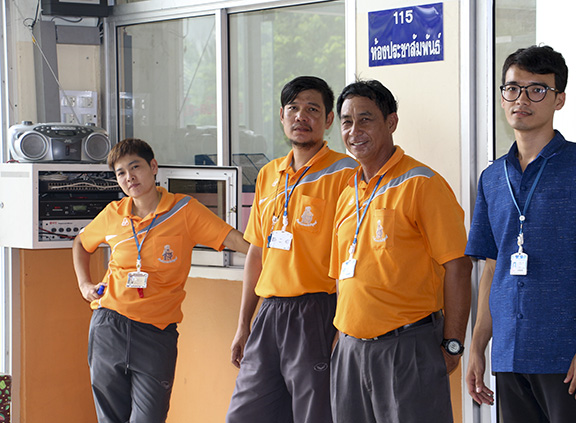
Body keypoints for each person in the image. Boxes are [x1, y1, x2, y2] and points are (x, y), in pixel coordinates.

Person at [465, 45, 576, 423]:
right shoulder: (492, 178)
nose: (521, 99)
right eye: (512, 89)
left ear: (559, 99)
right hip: (510, 352)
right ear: (502, 97)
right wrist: (478, 347)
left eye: (537, 89)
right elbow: (492, 268)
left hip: (569, 351)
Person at [72, 138, 249, 423]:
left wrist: (274, 257)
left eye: (135, 167)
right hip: (109, 326)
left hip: (156, 334)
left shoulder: (184, 210)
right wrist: (84, 284)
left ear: (153, 167)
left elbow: (235, 241)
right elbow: (81, 243)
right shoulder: (113, 214)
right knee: (110, 418)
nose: (129, 177)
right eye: (120, 172)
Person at [329, 79, 472, 423]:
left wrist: (453, 344)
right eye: (347, 122)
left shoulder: (421, 183)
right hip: (349, 351)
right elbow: (342, 277)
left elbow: (458, 265)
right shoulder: (348, 193)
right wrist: (340, 339)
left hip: (407, 347)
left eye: (365, 119)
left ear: (391, 122)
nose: (354, 131)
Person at [226, 76, 358, 423]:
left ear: (328, 120)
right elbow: (257, 252)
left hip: (317, 312)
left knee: (314, 414)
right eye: (294, 108)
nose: (301, 116)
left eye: (312, 109)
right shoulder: (269, 174)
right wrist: (243, 323)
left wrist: (342, 328)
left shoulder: (347, 173)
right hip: (269, 312)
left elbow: (352, 257)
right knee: (244, 415)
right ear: (282, 116)